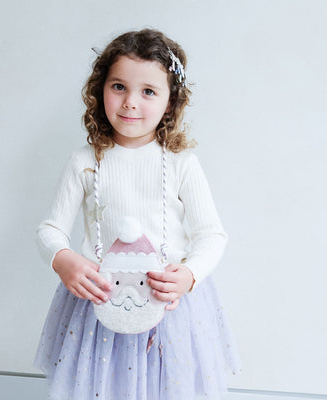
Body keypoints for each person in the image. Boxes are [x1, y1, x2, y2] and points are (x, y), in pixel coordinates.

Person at [34, 28, 240, 400]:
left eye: (148, 91)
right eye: (119, 87)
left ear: (170, 102)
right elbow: (50, 229)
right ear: (100, 90)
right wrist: (63, 259)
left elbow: (212, 235)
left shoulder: (182, 164)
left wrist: (189, 275)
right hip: (100, 304)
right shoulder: (85, 161)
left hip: (168, 305)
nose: (130, 102)